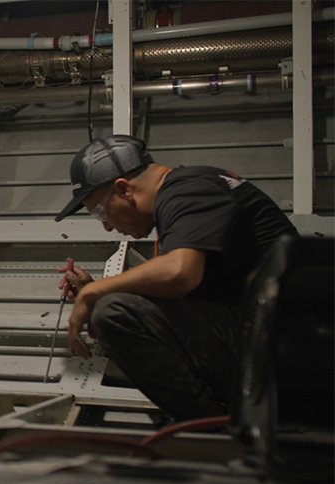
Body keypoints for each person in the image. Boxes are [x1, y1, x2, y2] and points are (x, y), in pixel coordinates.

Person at [54, 134, 297, 421]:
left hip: (288, 345)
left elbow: (179, 274)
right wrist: (95, 289)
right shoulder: (186, 194)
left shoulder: (188, 191)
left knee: (114, 312)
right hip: (270, 336)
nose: (106, 226)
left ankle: (206, 434)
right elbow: (173, 292)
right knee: (118, 306)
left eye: (100, 212)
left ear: (124, 189)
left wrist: (97, 294)